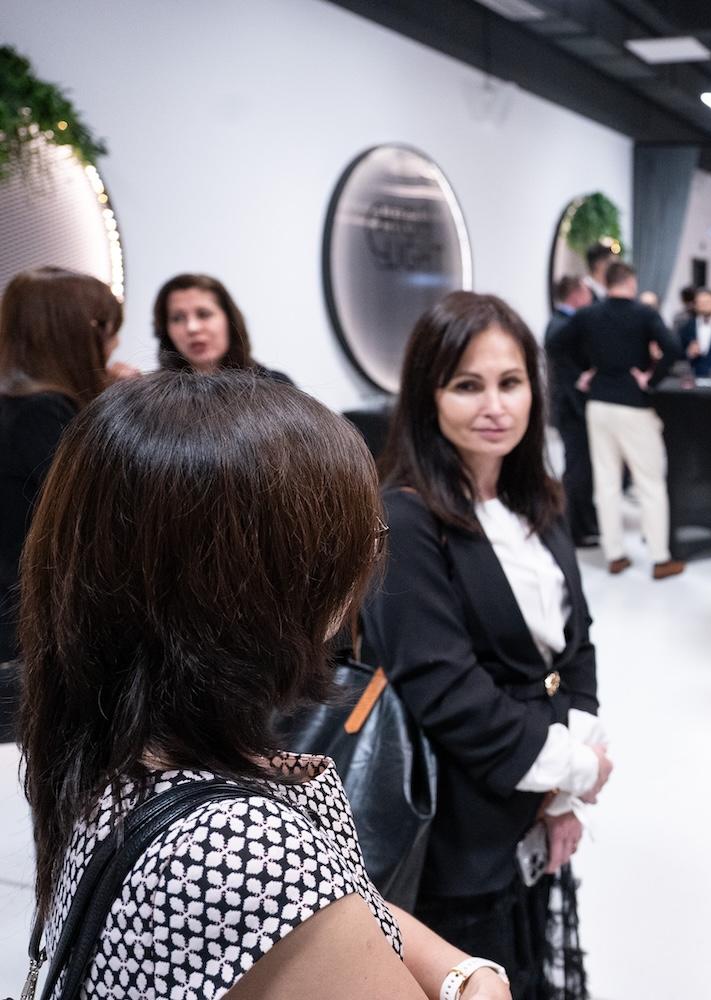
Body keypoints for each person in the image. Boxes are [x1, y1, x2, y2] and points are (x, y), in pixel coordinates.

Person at [19, 371, 511, 1000]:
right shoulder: (240, 857)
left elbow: (330, 907)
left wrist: (460, 970)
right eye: (355, 541)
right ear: (258, 584)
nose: (367, 563)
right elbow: (287, 897)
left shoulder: (106, 748)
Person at [364, 292, 608, 999]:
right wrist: (573, 769)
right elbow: (444, 688)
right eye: (467, 386)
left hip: (533, 803)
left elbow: (576, 647)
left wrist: (563, 796)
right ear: (428, 396)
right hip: (461, 828)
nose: (495, 406)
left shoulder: (541, 500)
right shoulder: (405, 519)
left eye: (510, 382)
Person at [0, 267, 124, 668]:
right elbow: (99, 521)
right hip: (29, 632)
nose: (115, 343)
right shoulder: (45, 414)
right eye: (108, 329)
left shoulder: (17, 407)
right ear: (81, 332)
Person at [552, 262, 685, 579]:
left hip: (598, 404)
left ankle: (615, 555)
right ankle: (660, 557)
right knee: (650, 481)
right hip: (633, 404)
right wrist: (651, 378)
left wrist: (582, 374)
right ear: (631, 282)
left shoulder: (588, 314)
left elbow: (555, 344)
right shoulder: (644, 314)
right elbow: (673, 348)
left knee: (607, 481)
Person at [153, 272, 293, 382]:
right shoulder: (153, 398)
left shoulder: (276, 385)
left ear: (229, 320)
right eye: (177, 318)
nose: (192, 328)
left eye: (204, 314)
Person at [544, 275, 598, 546]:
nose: (591, 298)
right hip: (570, 409)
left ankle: (584, 524)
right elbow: (563, 369)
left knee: (580, 468)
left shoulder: (562, 323)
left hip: (572, 408)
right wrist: (581, 378)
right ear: (576, 294)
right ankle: (576, 529)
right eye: (587, 292)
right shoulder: (561, 325)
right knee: (577, 469)